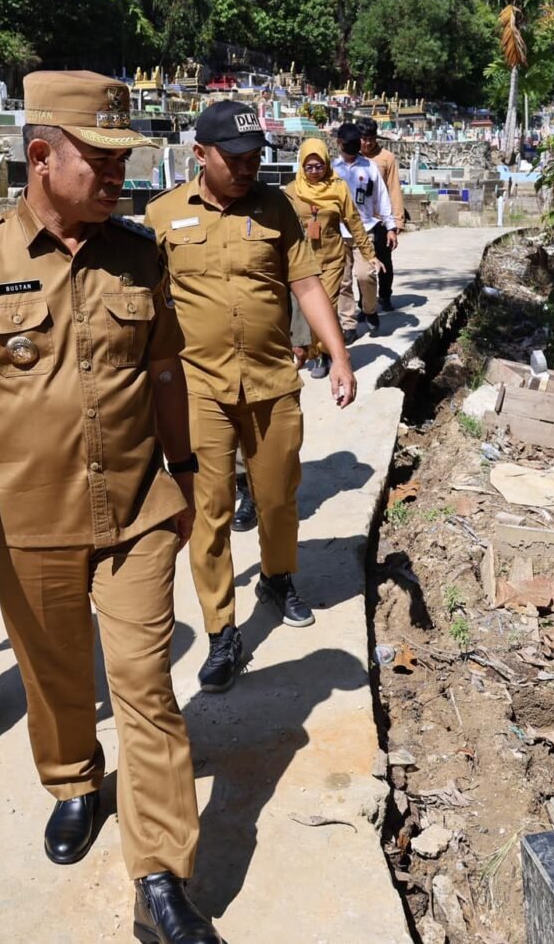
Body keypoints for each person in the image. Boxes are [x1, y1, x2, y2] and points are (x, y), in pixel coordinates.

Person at [0, 71, 220, 943]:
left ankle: (160, 878)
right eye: (101, 158)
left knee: (146, 687)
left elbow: (164, 371)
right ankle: (74, 778)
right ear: (41, 155)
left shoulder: (140, 255)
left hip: (138, 511)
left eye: (124, 157)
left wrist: (187, 472)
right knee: (55, 675)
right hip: (30, 518)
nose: (120, 173)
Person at [145, 100, 357, 695]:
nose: (247, 168)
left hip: (271, 382)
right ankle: (221, 630)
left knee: (278, 498)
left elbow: (306, 283)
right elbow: (145, 304)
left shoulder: (277, 208)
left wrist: (339, 356)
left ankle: (277, 577)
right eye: (234, 158)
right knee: (208, 510)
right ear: (200, 154)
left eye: (254, 158)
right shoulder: (162, 215)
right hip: (200, 389)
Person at [284, 137, 381, 377]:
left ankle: (326, 352)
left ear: (327, 164)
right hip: (304, 260)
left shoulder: (337, 187)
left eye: (319, 166)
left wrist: (369, 254)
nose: (314, 172)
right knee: (308, 310)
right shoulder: (292, 190)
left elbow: (354, 221)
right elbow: (282, 225)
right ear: (301, 166)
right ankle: (318, 353)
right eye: (309, 167)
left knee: (325, 306)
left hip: (332, 258)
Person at [330, 122, 396, 334]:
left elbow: (382, 197)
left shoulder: (369, 167)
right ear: (339, 143)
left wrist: (391, 226)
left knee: (365, 275)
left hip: (365, 229)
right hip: (339, 232)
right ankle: (348, 324)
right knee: (343, 281)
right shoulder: (332, 169)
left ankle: (369, 309)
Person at [357, 117, 405, 310]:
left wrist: (397, 221)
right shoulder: (352, 158)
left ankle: (385, 295)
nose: (368, 143)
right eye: (364, 139)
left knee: (384, 260)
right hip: (361, 220)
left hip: (382, 220)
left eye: (371, 139)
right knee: (364, 263)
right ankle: (365, 302)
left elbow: (394, 189)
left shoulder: (387, 158)